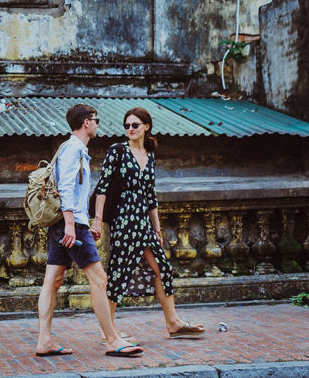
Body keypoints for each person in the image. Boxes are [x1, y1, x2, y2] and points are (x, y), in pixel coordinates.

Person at [35, 104, 144, 358]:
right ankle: (112, 340)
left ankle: (44, 341)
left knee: (53, 281)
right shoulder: (73, 148)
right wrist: (72, 225)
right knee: (99, 279)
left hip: (66, 223)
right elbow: (65, 187)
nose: (97, 124)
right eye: (96, 120)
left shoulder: (74, 149)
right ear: (86, 123)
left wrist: (82, 222)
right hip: (69, 224)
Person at [93, 108, 205, 341]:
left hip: (144, 222)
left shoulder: (149, 155)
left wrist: (157, 228)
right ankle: (107, 330)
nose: (130, 129)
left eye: (135, 125)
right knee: (119, 272)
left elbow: (150, 196)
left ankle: (173, 322)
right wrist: (97, 221)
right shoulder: (117, 150)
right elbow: (102, 188)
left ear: (147, 127)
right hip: (124, 221)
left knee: (163, 268)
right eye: (127, 125)